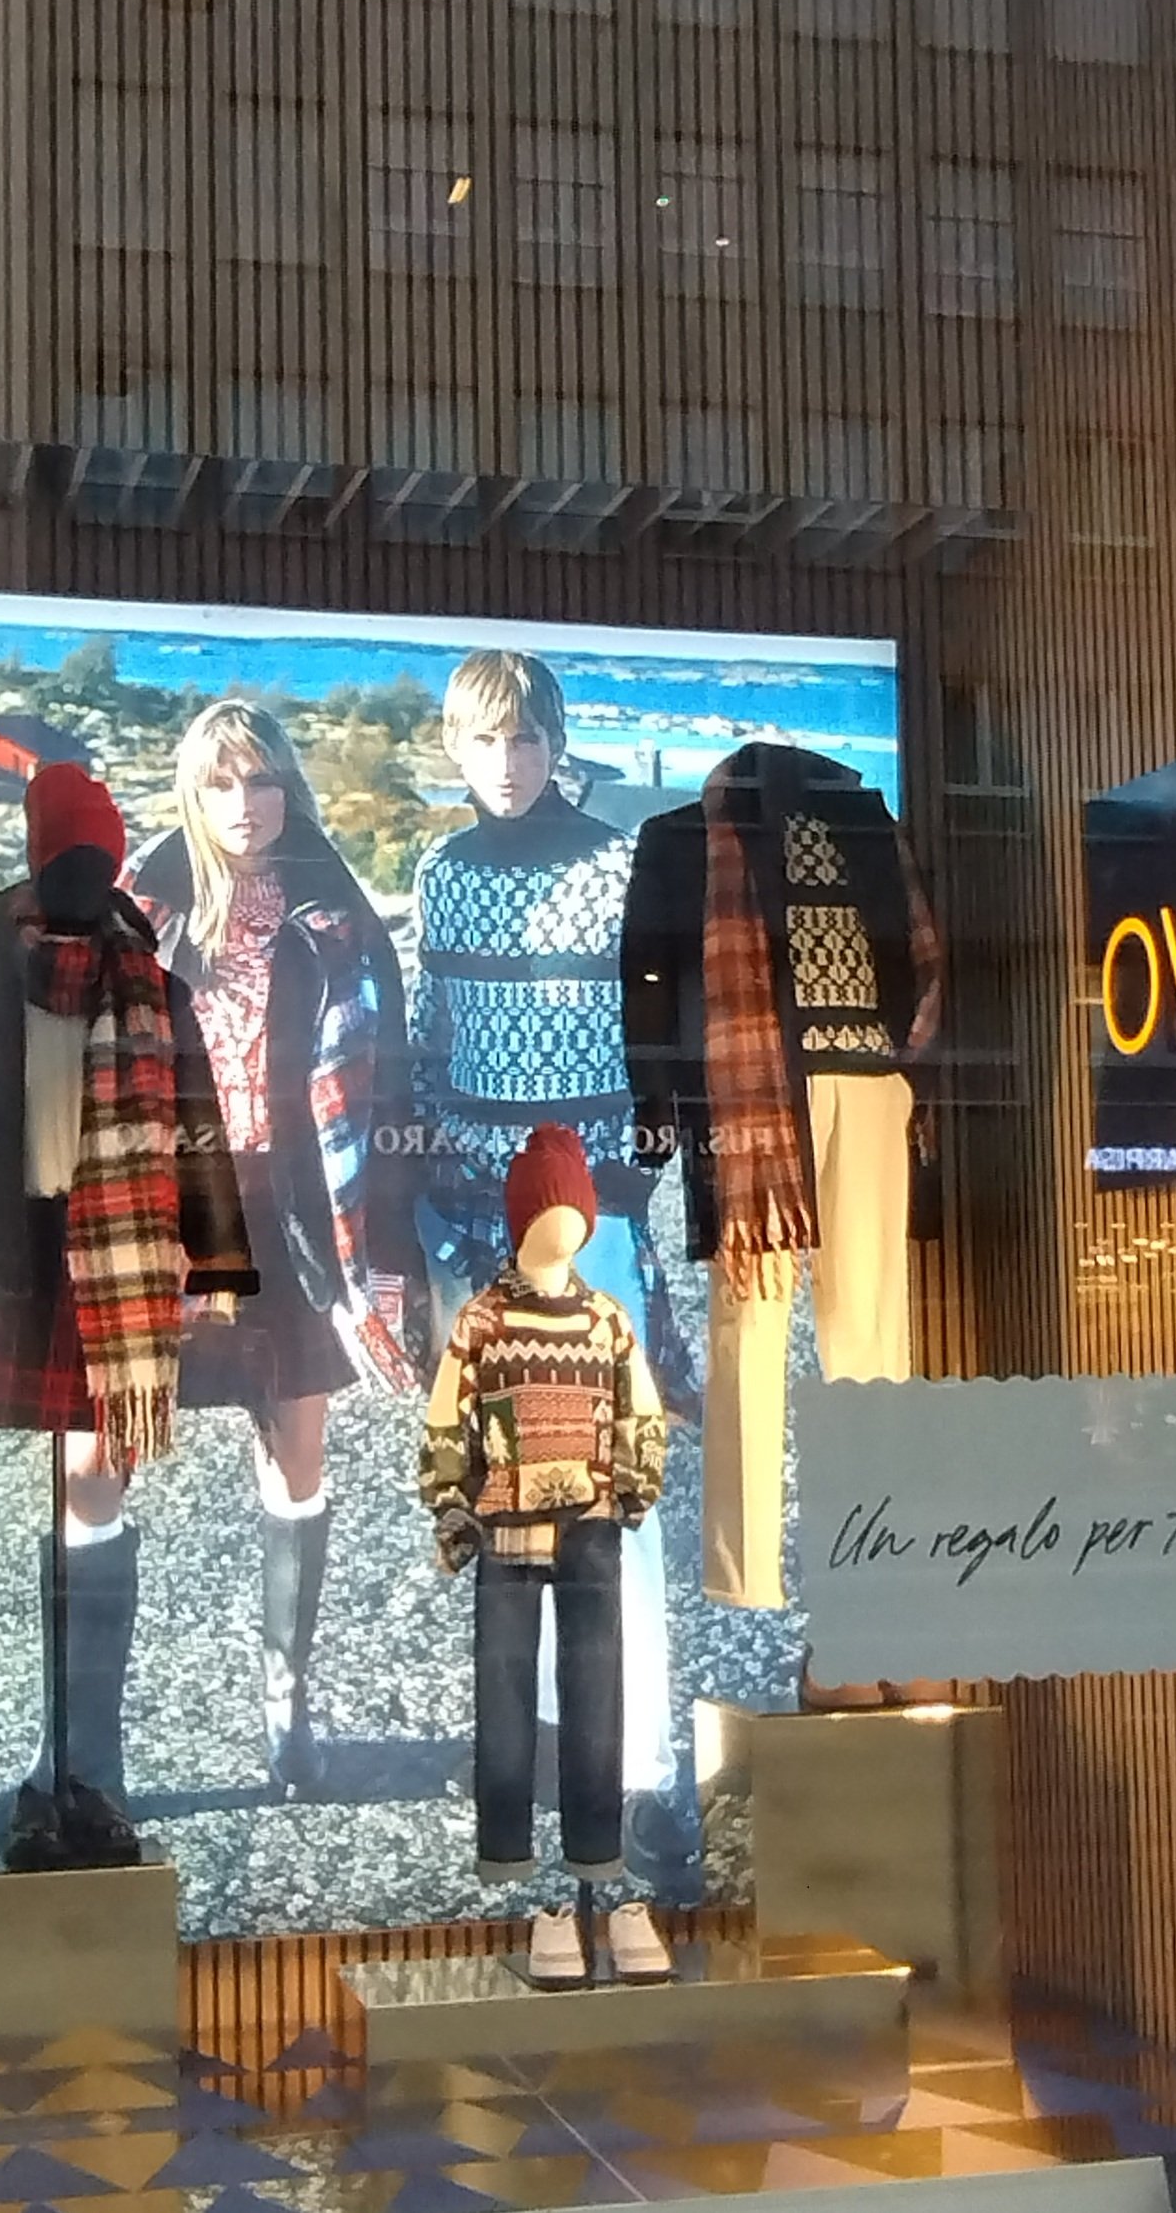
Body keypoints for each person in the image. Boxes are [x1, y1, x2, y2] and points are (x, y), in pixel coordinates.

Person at [409, 650, 701, 1899]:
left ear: (557, 741)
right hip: (479, 1228)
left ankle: (650, 1772)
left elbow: (659, 1042)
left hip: (594, 1231)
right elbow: (430, 1043)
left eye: (525, 738)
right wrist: (444, 1193)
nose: (507, 762)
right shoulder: (440, 873)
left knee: (618, 1508)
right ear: (455, 747)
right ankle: (534, 1754)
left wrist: (617, 1189)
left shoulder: (616, 865)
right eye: (485, 741)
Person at [127, 698, 423, 1795]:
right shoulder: (144, 907)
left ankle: (286, 1710)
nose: (244, 804)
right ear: (191, 792)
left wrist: (388, 1232)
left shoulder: (331, 908)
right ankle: (88, 1747)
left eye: (260, 780)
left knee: (296, 1448)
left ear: (287, 787)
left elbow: (383, 1070)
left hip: (295, 1203)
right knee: (102, 1449)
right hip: (171, 1199)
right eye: (220, 783)